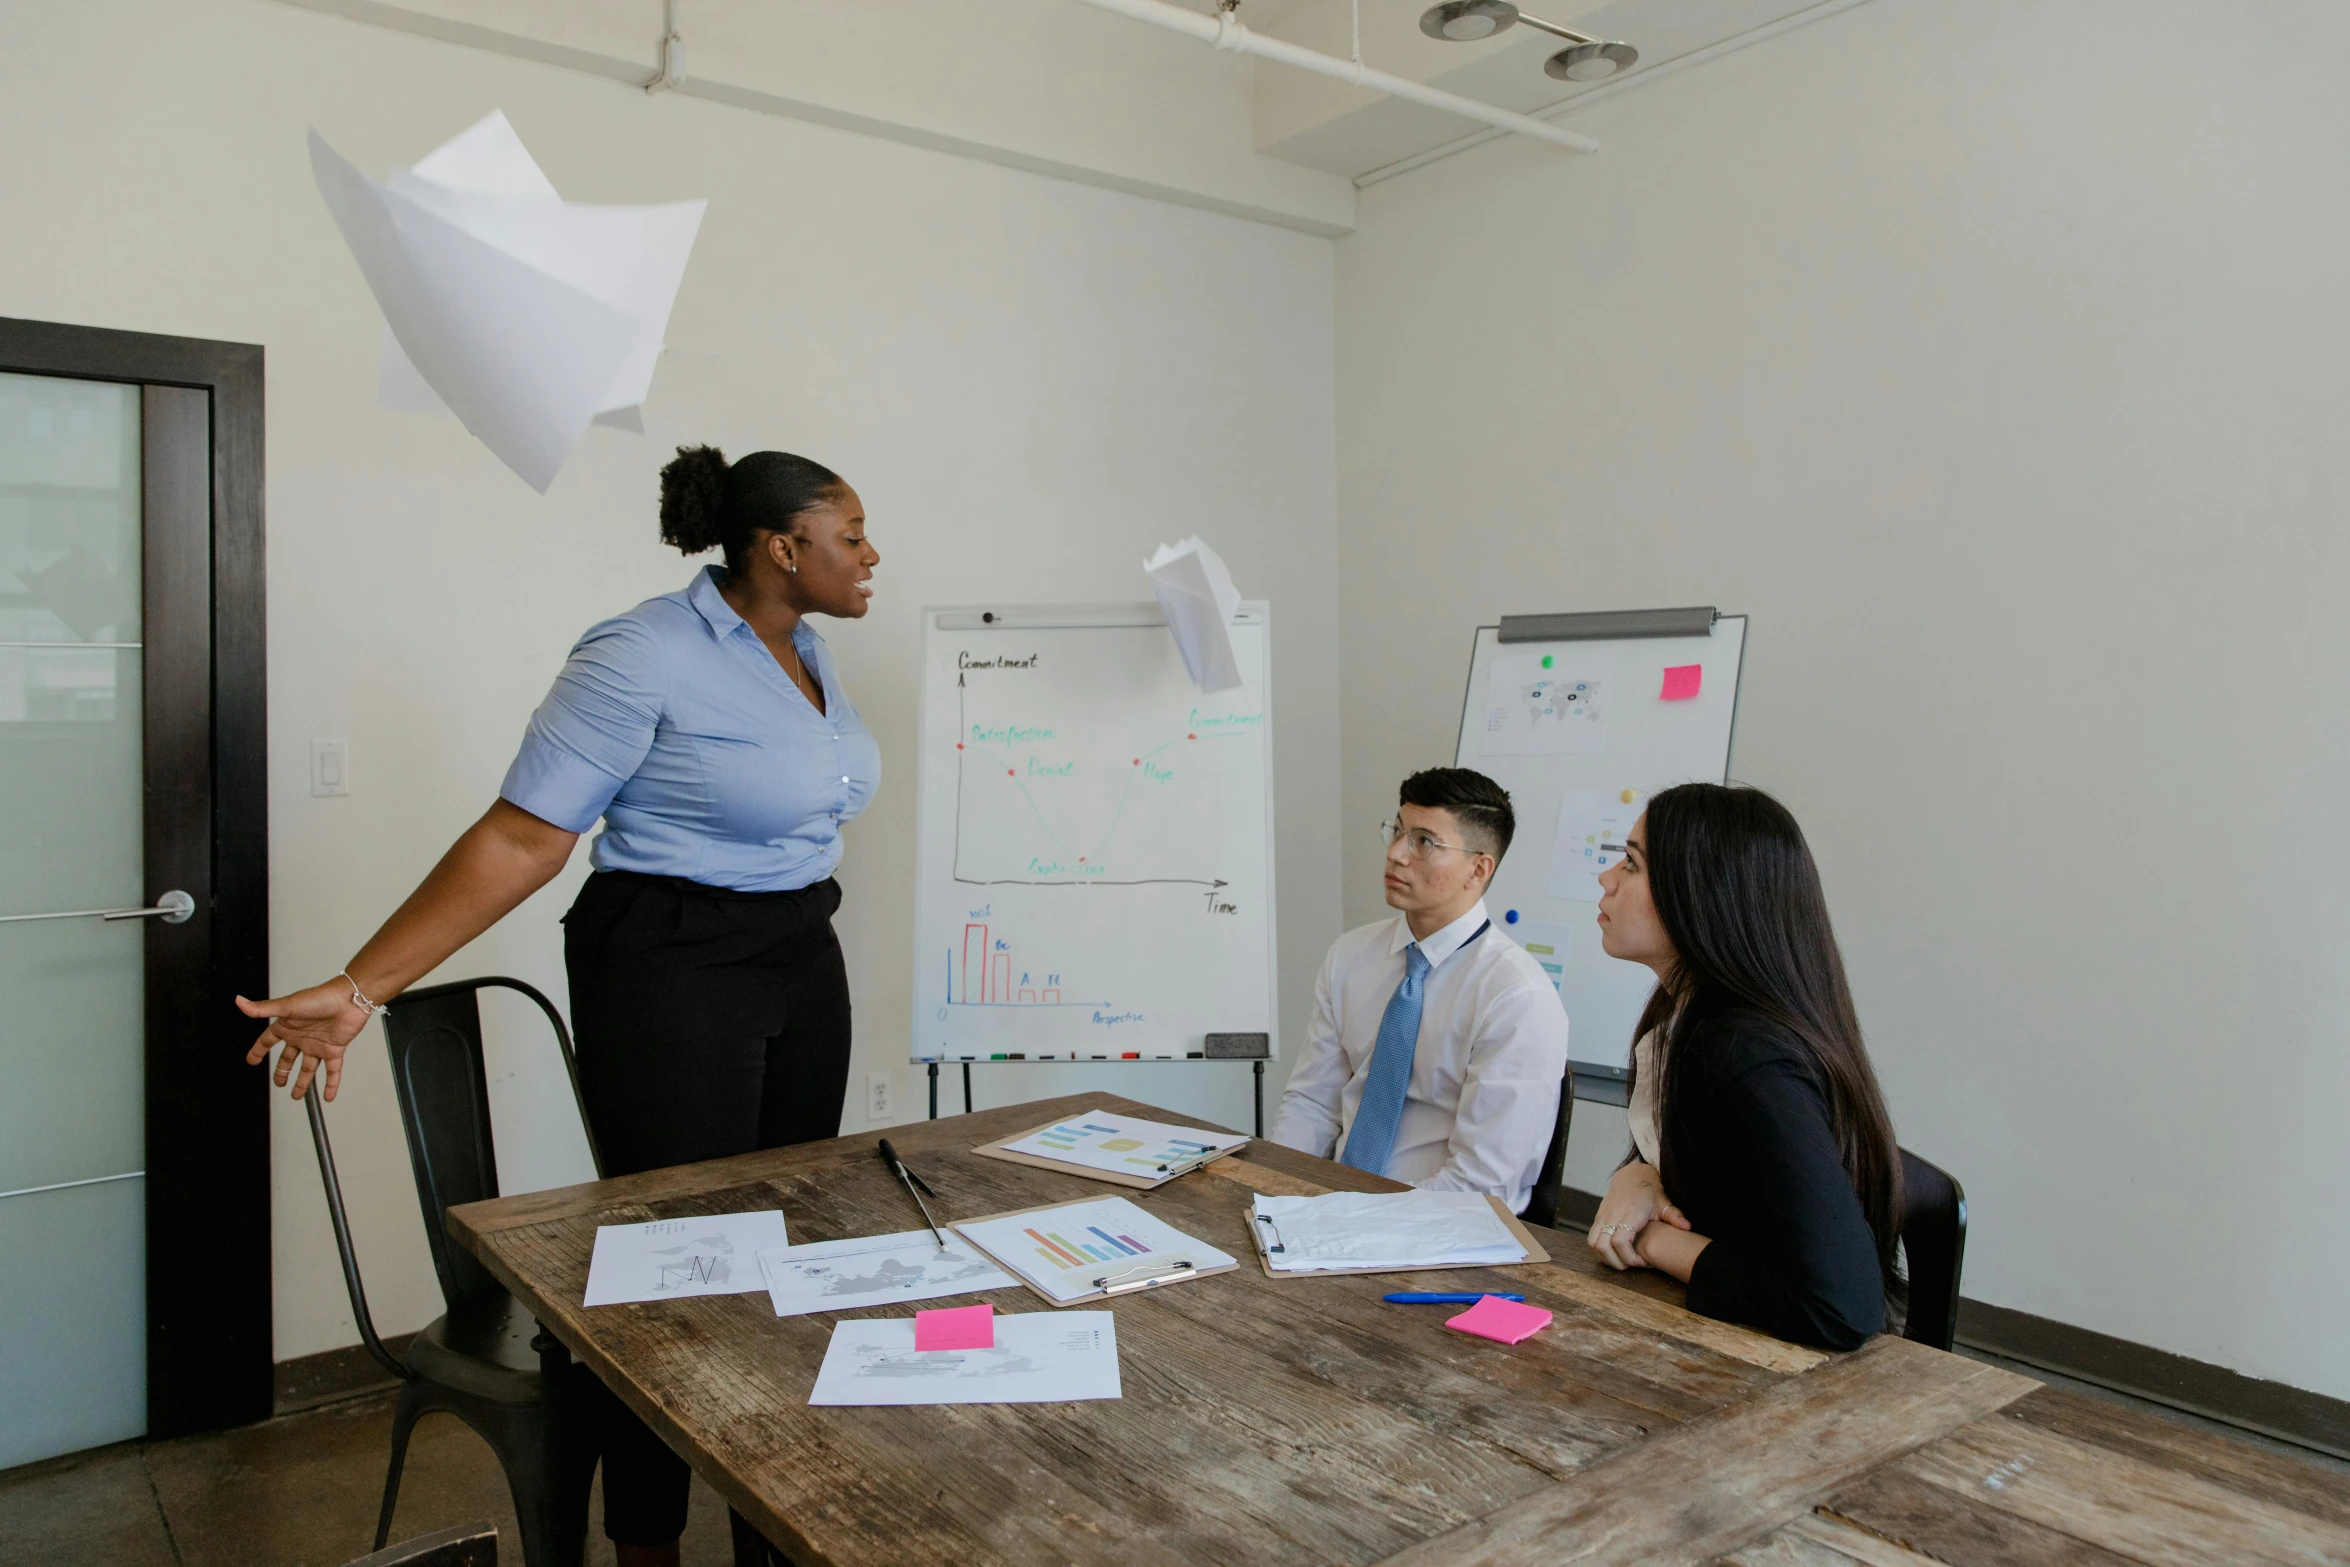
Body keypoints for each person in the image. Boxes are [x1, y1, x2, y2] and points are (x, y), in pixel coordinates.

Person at [236, 445, 881, 1567]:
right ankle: (646, 1542)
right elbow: (526, 834)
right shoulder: (642, 652)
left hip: (796, 955)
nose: (872, 557)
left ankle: (770, 1531)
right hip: (671, 964)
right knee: (679, 1277)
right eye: (853, 534)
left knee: (781, 1254)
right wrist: (360, 986)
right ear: (782, 547)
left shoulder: (805, 651)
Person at [1583, 782, 1902, 1351]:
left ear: (1699, 895)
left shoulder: (1744, 1051)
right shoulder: (1684, 1017)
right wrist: (1640, 1175)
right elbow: (1718, 1177)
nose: (1606, 879)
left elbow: (1840, 1306)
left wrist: (1656, 1240)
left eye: (1631, 865)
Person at [1272, 767, 1569, 1214]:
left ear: (1478, 868)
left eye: (1424, 842)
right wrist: (1276, 1191)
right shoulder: (1351, 955)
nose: (1395, 854)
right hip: (1330, 1208)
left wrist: (1360, 1222)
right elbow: (1313, 1102)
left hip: (1445, 1226)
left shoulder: (1516, 997)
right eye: (1397, 831)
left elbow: (1483, 1185)